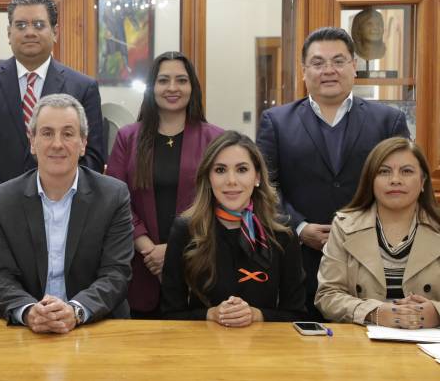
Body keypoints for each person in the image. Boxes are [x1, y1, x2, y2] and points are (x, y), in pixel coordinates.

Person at [0, 0, 104, 316]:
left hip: (67, 227)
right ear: (8, 32)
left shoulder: (83, 86)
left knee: (72, 328)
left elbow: (91, 155)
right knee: (4, 333)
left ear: (55, 32)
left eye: (39, 24)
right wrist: (3, 201)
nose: (30, 31)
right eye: (20, 25)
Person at [256, 26, 410, 319]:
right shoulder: (276, 122)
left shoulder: (388, 121)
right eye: (318, 62)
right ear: (304, 71)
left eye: (338, 61)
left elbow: (401, 185)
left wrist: (358, 228)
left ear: (354, 67)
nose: (329, 70)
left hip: (371, 259)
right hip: (297, 260)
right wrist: (299, 229)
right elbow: (265, 186)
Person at [0, 94, 133, 333]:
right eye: (47, 133)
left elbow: (116, 274)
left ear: (83, 142)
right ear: (32, 141)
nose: (57, 144)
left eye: (68, 133)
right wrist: (30, 311)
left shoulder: (113, 196)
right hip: (24, 330)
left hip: (95, 326)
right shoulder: (2, 200)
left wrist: (75, 310)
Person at [106, 51, 223, 317]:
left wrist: (173, 251)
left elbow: (220, 201)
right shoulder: (128, 137)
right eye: (163, 80)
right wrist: (149, 249)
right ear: (152, 87)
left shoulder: (215, 139)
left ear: (192, 87)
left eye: (181, 80)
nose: (172, 88)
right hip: (140, 266)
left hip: (197, 264)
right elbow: (115, 199)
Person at [160, 131, 306, 324]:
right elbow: (169, 315)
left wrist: (256, 315)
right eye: (220, 170)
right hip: (202, 347)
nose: (231, 181)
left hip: (264, 348)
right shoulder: (186, 229)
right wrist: (210, 314)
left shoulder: (283, 231)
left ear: (257, 177)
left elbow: (297, 314)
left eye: (242, 169)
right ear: (208, 178)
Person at [316, 137, 440, 327]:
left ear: (423, 181)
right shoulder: (344, 226)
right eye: (384, 172)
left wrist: (437, 313)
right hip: (361, 344)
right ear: (370, 181)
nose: (395, 180)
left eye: (406, 171)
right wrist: (374, 313)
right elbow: (327, 296)